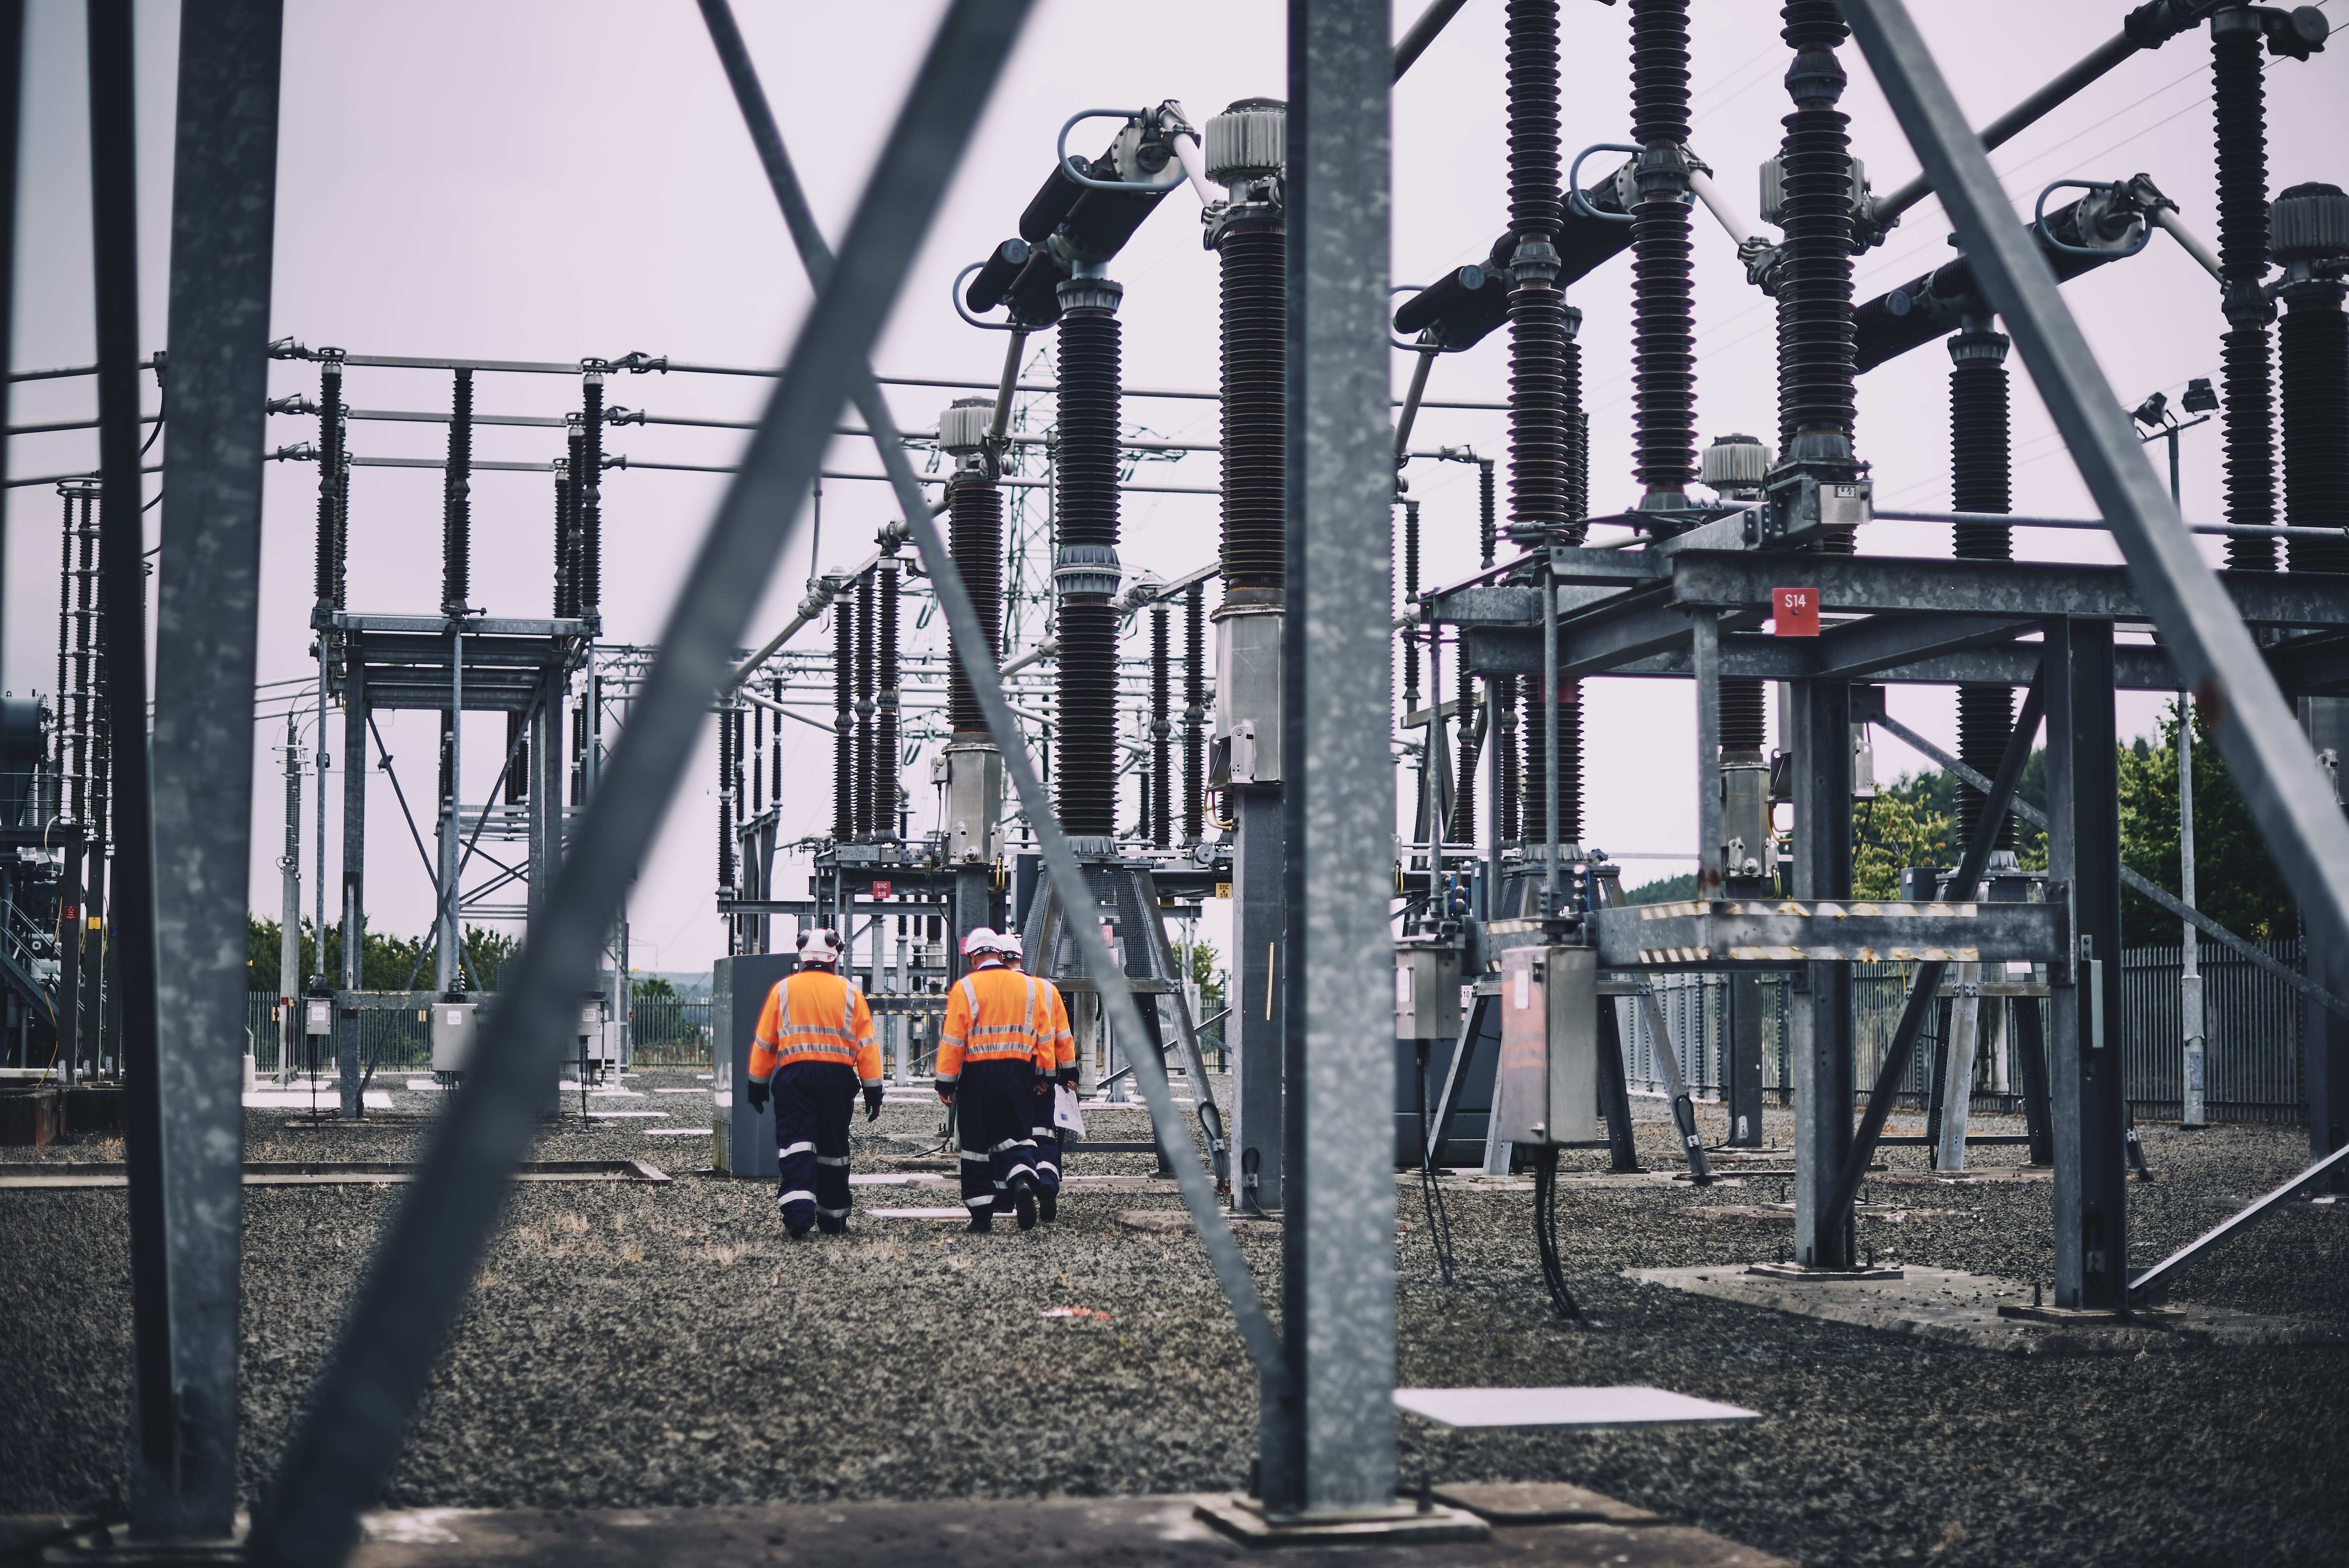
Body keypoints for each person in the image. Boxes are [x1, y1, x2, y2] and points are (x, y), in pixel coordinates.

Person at [745, 929, 881, 1238]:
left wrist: (757, 1084)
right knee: (834, 1147)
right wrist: (874, 1091)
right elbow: (868, 1047)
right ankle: (833, 1218)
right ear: (835, 958)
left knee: (797, 1144)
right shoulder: (851, 993)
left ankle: (798, 1214)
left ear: (803, 957)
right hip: (838, 1079)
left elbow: (765, 1043)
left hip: (796, 1077)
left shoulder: (783, 990)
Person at [936, 927, 1052, 1232]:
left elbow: (953, 1039)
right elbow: (1045, 1034)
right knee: (1016, 1133)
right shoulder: (1029, 987)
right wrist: (1044, 1074)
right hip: (1019, 1071)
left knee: (976, 1142)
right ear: (1000, 954)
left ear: (974, 956)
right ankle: (1023, 1179)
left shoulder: (966, 987)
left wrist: (946, 1083)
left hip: (979, 1073)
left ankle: (981, 1214)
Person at [992, 929, 1076, 1222]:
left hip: (1007, 1076)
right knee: (1044, 1135)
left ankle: (1014, 1190)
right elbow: (1063, 1036)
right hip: (1046, 1077)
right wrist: (1067, 1073)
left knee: (1008, 1138)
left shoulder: (997, 989)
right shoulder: (1047, 989)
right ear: (1021, 958)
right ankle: (1048, 1184)